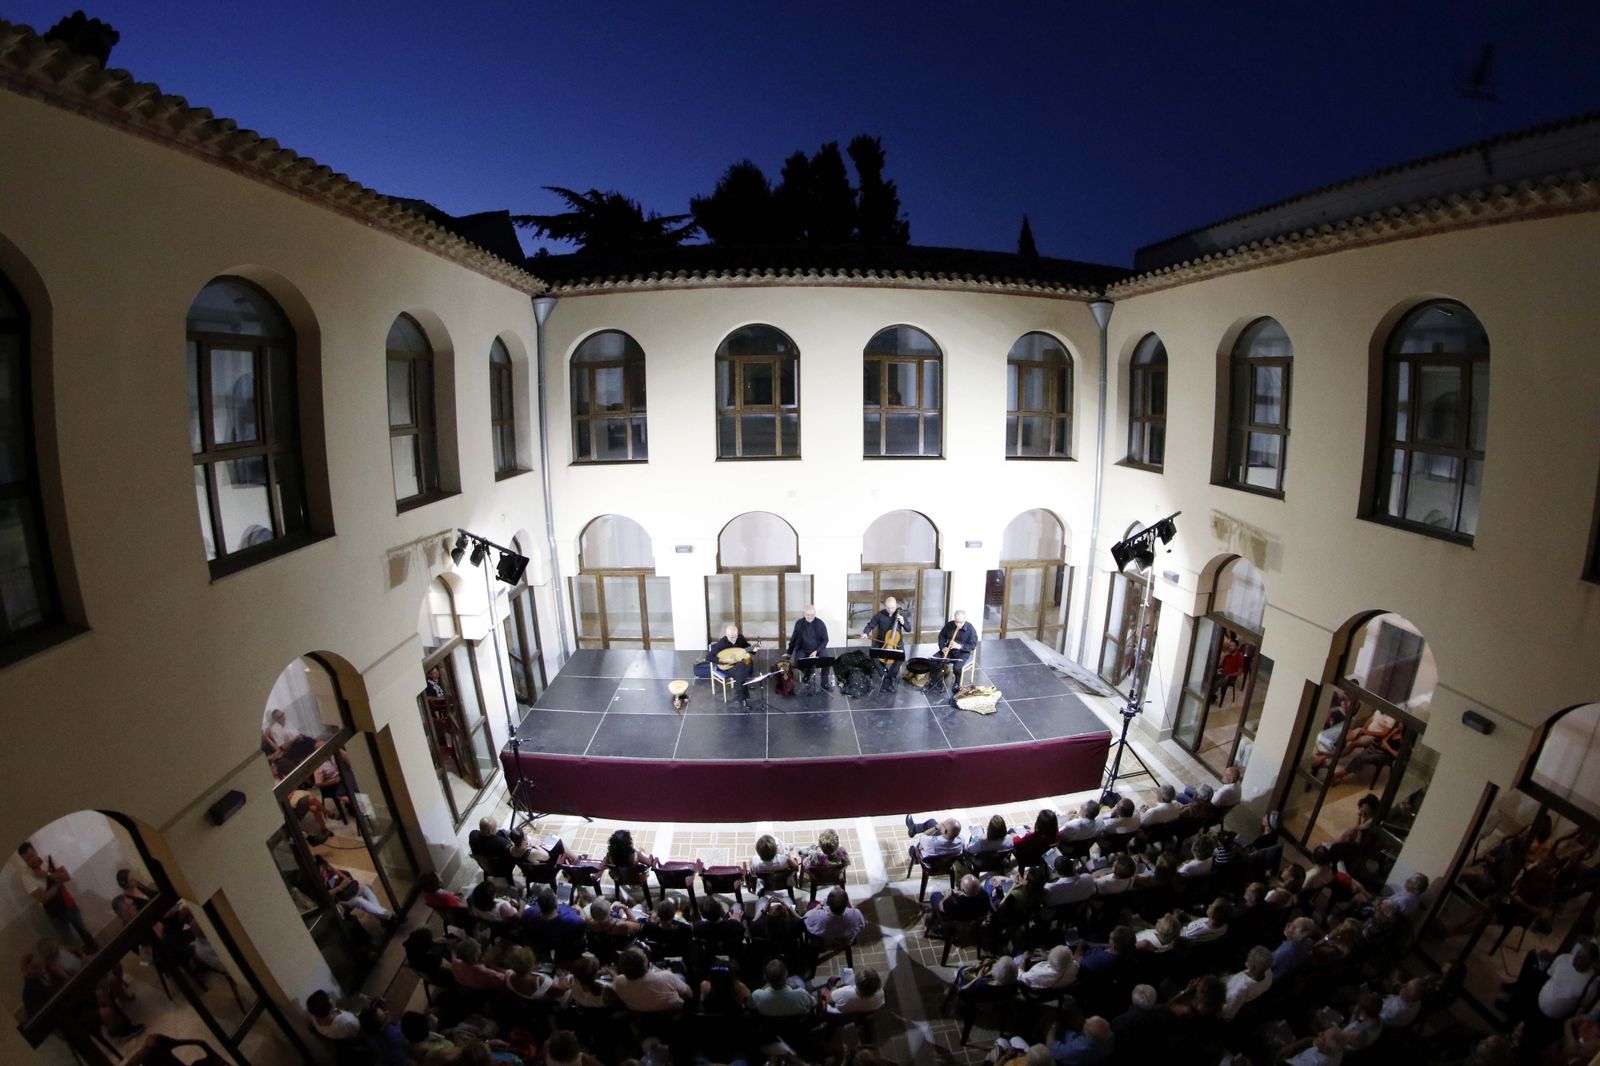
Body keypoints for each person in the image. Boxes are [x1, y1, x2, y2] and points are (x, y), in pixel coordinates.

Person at [18, 842, 98, 951]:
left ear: (35, 851)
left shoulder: (49, 859)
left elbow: (66, 876)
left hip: (68, 904)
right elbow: (42, 899)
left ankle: (99, 953)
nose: (31, 861)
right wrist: (57, 883)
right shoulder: (26, 876)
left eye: (31, 856)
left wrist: (47, 874)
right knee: (69, 942)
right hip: (54, 913)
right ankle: (82, 964)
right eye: (27, 860)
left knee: (83, 930)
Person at [611, 946, 691, 1012]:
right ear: (644, 963)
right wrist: (669, 975)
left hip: (642, 1019)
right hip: (675, 1015)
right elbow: (689, 994)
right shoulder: (666, 976)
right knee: (679, 974)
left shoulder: (618, 981)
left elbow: (618, 981)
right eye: (644, 956)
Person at [316, 857, 394, 923]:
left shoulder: (324, 866)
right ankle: (388, 915)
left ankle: (383, 917)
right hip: (338, 900)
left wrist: (341, 876)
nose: (324, 872)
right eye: (321, 871)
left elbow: (339, 874)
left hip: (345, 891)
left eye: (323, 869)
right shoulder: (316, 880)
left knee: (365, 888)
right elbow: (324, 895)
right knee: (359, 901)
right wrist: (340, 887)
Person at [521, 890, 587, 960]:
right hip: (563, 948)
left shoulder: (528, 914)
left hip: (541, 945)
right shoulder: (573, 921)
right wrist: (580, 910)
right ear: (556, 905)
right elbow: (583, 923)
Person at [862, 595, 909, 692]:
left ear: (896, 606)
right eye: (888, 608)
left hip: (897, 644)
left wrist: (903, 622)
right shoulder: (880, 615)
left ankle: (888, 678)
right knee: (873, 656)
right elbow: (870, 625)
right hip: (882, 642)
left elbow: (909, 629)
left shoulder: (900, 615)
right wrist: (865, 633)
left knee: (901, 658)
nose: (891, 610)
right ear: (885, 606)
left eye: (892, 608)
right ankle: (884, 675)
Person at [787, 603, 832, 692]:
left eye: (812, 615)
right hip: (803, 649)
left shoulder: (820, 623)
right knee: (798, 662)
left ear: (815, 614)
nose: (810, 616)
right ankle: (807, 673)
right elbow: (793, 639)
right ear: (804, 614)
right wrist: (789, 652)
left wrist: (816, 651)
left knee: (827, 661)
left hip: (817, 649)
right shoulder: (799, 623)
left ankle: (824, 682)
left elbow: (825, 640)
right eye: (808, 615)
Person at [1221, 944, 1274, 1019]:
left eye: (1249, 957)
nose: (1247, 957)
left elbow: (1228, 1014)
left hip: (1223, 997)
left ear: (1253, 967)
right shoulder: (1268, 972)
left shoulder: (1241, 988)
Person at [709, 622, 756, 705]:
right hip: (726, 667)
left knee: (747, 663)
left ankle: (742, 696)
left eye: (735, 636)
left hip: (738, 663)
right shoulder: (722, 643)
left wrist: (753, 649)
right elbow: (709, 657)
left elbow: (747, 647)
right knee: (741, 671)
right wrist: (723, 660)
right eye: (731, 637)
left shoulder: (740, 638)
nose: (734, 639)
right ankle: (743, 696)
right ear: (726, 635)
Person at [934, 609, 978, 696]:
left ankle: (957, 683)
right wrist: (943, 648)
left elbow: (973, 645)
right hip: (949, 651)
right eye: (956, 622)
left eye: (960, 622)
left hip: (963, 652)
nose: (958, 625)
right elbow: (941, 636)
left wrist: (959, 646)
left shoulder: (970, 629)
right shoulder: (950, 625)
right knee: (936, 660)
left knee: (957, 668)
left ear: (965, 620)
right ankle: (936, 681)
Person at [1045, 1013, 1113, 1064]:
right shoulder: (1108, 1036)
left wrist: (1053, 1026)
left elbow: (1051, 1046)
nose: (1086, 1019)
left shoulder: (1078, 1051)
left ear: (1086, 1034)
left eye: (1086, 1024)